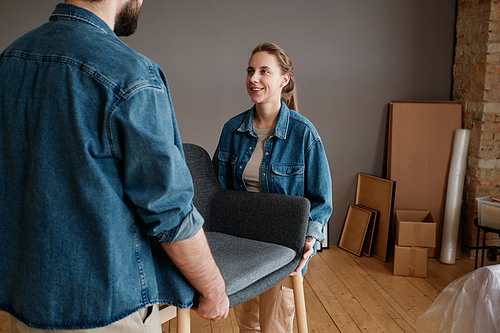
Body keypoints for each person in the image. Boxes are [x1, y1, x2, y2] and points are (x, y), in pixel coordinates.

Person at [0, 0, 229, 332]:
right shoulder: (130, 73)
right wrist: (214, 288)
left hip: (25, 301)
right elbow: (168, 210)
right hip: (105, 309)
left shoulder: (9, 60)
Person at [212, 42, 333, 332]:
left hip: (283, 247)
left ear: (283, 80)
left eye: (264, 71)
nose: (254, 78)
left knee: (275, 326)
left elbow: (321, 200)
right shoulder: (232, 129)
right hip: (243, 245)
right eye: (250, 71)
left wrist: (309, 241)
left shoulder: (304, 134)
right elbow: (217, 191)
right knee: (249, 325)